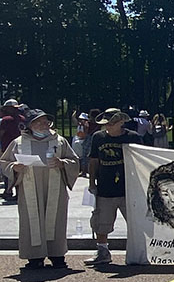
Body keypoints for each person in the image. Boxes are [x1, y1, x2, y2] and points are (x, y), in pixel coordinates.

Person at [0, 109, 79, 269]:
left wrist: (62, 163)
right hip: (29, 188)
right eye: (39, 122)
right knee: (31, 220)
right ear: (30, 125)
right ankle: (34, 257)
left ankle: (57, 255)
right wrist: (14, 167)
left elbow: (75, 161)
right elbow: (4, 163)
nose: (44, 125)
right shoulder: (19, 142)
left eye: (45, 122)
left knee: (56, 219)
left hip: (55, 189)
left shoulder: (59, 141)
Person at [85, 108, 143, 266]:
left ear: (121, 122)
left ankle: (140, 252)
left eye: (111, 123)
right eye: (106, 124)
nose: (108, 127)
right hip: (105, 187)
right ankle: (102, 251)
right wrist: (92, 183)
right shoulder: (98, 137)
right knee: (101, 222)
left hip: (128, 189)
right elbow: (94, 161)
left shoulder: (133, 137)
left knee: (136, 222)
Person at [1, 99, 25, 202]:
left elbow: (1, 134)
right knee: (19, 171)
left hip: (7, 148)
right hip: (21, 148)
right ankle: (19, 192)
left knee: (7, 169)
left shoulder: (6, 120)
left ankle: (8, 191)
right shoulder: (23, 119)